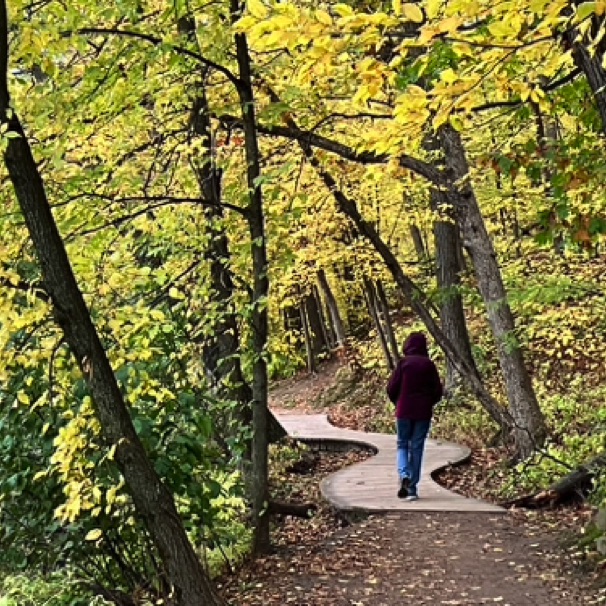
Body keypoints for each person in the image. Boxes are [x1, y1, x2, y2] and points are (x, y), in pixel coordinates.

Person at [387, 332, 443, 501]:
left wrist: (397, 402)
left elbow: (391, 387)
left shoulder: (403, 364)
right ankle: (412, 489)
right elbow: (437, 391)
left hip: (403, 411)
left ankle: (404, 474)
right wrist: (428, 402)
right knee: (417, 448)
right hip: (423, 413)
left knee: (402, 444)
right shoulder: (429, 365)